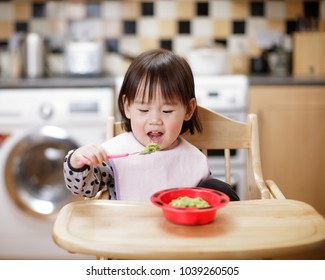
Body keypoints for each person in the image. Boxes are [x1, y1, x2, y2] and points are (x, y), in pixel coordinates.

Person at [63, 49, 239, 201]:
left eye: (167, 111)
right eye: (144, 110)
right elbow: (84, 188)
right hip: (128, 235)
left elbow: (203, 202)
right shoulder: (116, 153)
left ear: (188, 110)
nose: (155, 120)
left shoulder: (192, 158)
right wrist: (77, 161)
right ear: (127, 107)